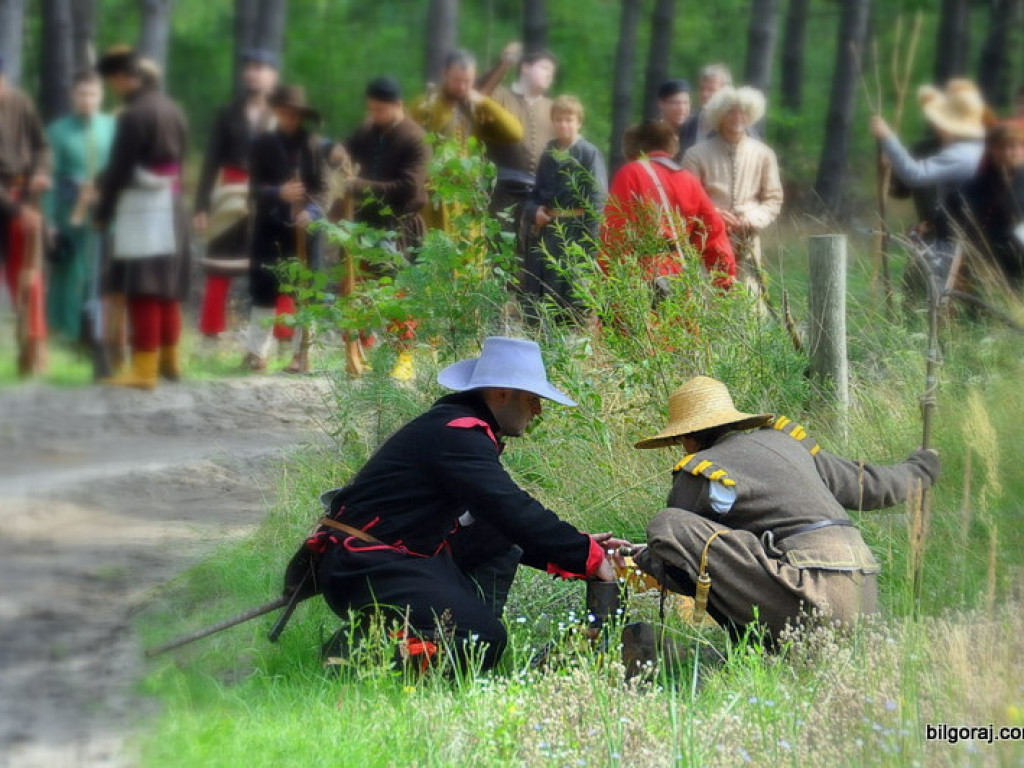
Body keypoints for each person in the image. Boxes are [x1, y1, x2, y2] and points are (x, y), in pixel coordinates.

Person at [302, 337, 627, 671]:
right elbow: (508, 506)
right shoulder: (457, 433)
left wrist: (576, 549)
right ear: (502, 393)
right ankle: (352, 655)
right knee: (480, 639)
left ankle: (435, 625)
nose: (538, 410)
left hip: (382, 557)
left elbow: (500, 524)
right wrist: (585, 554)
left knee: (496, 540)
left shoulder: (458, 427)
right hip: (364, 563)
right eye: (533, 399)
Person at [632, 376, 941, 642]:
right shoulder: (790, 444)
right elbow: (870, 486)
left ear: (687, 437)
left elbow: (678, 556)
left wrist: (643, 558)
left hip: (807, 596)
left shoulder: (700, 469)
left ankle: (758, 645)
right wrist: (921, 467)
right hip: (864, 597)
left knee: (666, 524)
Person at [94, 46, 189, 390]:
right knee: (166, 288)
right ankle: (170, 360)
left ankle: (145, 369)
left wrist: (103, 211)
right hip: (173, 202)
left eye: (112, 81)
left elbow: (121, 170)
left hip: (144, 205)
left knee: (143, 287)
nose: (112, 88)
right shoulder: (172, 109)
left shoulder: (134, 115)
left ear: (123, 77)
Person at [344, 76, 431, 380]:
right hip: (366, 224)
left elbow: (408, 186)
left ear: (397, 105)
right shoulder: (368, 131)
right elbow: (346, 149)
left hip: (400, 225)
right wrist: (336, 153)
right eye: (371, 109)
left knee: (399, 294)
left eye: (380, 110)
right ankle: (364, 352)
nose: (374, 115)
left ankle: (404, 356)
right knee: (363, 289)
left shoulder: (415, 138)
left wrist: (358, 185)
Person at [193, 48, 280, 342]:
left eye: (260, 67)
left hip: (270, 198)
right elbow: (211, 160)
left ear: (273, 75)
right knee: (218, 263)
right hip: (230, 197)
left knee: (278, 264)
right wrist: (201, 206)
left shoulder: (283, 114)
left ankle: (282, 335)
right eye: (249, 67)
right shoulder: (228, 113)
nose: (253, 73)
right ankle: (211, 333)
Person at [870, 79, 988, 293]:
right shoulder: (929, 148)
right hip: (941, 235)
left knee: (947, 295)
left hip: (961, 239)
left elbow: (915, 174)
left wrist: (888, 138)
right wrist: (889, 169)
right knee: (920, 289)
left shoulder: (965, 153)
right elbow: (900, 187)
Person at [243, 84, 327, 373]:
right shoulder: (262, 144)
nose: (291, 118)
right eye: (285, 113)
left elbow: (322, 189)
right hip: (270, 228)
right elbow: (252, 189)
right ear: (277, 112)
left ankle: (301, 355)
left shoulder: (312, 144)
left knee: (306, 292)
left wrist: (311, 211)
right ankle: (257, 353)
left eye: (295, 114)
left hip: (305, 231)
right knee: (264, 288)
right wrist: (278, 192)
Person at [682, 86, 783, 307]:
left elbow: (773, 198)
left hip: (748, 240)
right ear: (719, 114)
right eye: (731, 111)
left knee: (750, 301)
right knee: (709, 299)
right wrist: (714, 215)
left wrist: (751, 218)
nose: (738, 117)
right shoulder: (696, 155)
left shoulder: (764, 154)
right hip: (708, 240)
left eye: (743, 111)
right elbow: (687, 200)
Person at [602, 121, 736, 286]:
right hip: (680, 277)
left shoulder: (630, 173)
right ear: (670, 147)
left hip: (640, 278)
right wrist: (725, 281)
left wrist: (607, 280)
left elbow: (616, 231)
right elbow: (713, 231)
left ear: (631, 148)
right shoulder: (689, 179)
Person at [411, 50, 523, 231]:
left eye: (467, 81)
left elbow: (515, 133)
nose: (462, 87)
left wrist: (483, 102)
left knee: (469, 244)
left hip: (467, 196)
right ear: (445, 74)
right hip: (434, 197)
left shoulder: (477, 107)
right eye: (457, 80)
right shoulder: (425, 104)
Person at [44, 71, 116, 345]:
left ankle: (97, 332)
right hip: (69, 212)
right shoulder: (58, 131)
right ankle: (64, 331)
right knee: (69, 269)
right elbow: (50, 178)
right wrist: (49, 220)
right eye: (82, 94)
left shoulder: (112, 128)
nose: (87, 99)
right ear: (73, 96)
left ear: (101, 96)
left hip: (105, 211)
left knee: (101, 272)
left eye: (92, 94)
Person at [523, 95, 607, 318]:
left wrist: (589, 244)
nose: (563, 125)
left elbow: (596, 200)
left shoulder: (588, 153)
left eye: (569, 120)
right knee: (542, 298)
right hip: (547, 232)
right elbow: (535, 194)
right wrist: (535, 211)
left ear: (578, 122)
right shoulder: (549, 154)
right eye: (559, 120)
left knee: (570, 298)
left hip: (575, 233)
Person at [0, 54, 51, 377]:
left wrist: (41, 172)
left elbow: (41, 146)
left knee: (29, 277)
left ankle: (33, 348)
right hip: (11, 205)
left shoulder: (21, 103)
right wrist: (18, 210)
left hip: (23, 198)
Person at [488, 49, 558, 251]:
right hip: (501, 193)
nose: (549, 74)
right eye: (544, 68)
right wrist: (503, 64)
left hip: (538, 197)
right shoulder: (499, 96)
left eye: (552, 71)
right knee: (499, 251)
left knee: (533, 254)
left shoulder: (553, 108)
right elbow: (477, 96)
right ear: (525, 68)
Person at [948, 121, 1024, 294]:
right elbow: (950, 214)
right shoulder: (974, 186)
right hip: (983, 261)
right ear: (992, 151)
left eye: (1013, 147)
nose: (1007, 153)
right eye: (1001, 147)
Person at [679, 64, 732, 154]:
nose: (704, 94)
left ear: (726, 92)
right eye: (701, 88)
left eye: (711, 90)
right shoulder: (688, 124)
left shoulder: (736, 125)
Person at [655, 79, 692, 163]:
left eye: (686, 103)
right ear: (661, 104)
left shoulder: (694, 133)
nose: (682, 108)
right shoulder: (649, 135)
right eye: (675, 103)